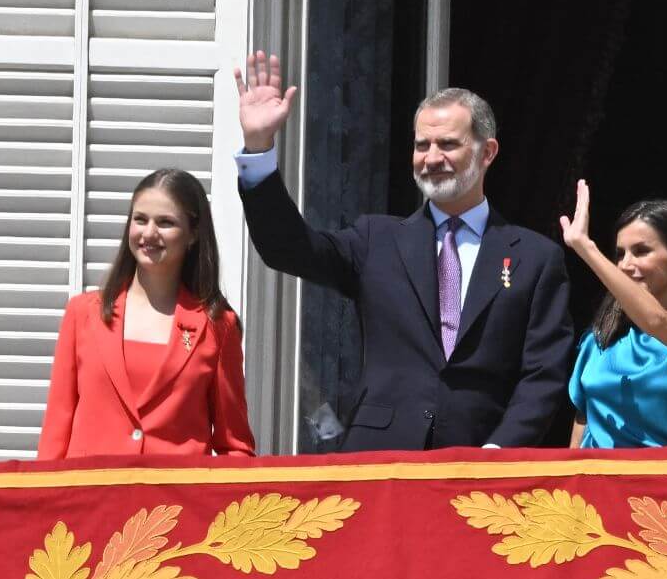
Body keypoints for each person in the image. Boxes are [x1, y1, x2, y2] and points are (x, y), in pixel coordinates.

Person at [232, 51, 574, 451]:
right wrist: (258, 149)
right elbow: (287, 249)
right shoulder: (377, 239)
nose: (431, 158)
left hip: (480, 461)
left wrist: (500, 451)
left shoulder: (534, 257)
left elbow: (545, 373)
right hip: (381, 459)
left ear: (488, 152)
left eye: (448, 144)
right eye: (421, 144)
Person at [38, 170, 255, 459]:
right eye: (140, 219)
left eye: (165, 222)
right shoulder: (82, 314)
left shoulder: (218, 326)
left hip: (177, 503)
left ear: (192, 234)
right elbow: (55, 436)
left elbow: (234, 447)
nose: (149, 233)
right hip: (90, 501)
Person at [561, 184, 667, 447]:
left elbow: (657, 322)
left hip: (660, 485)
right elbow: (580, 432)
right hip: (594, 483)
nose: (625, 265)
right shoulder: (598, 340)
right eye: (620, 254)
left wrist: (586, 248)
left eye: (641, 251)